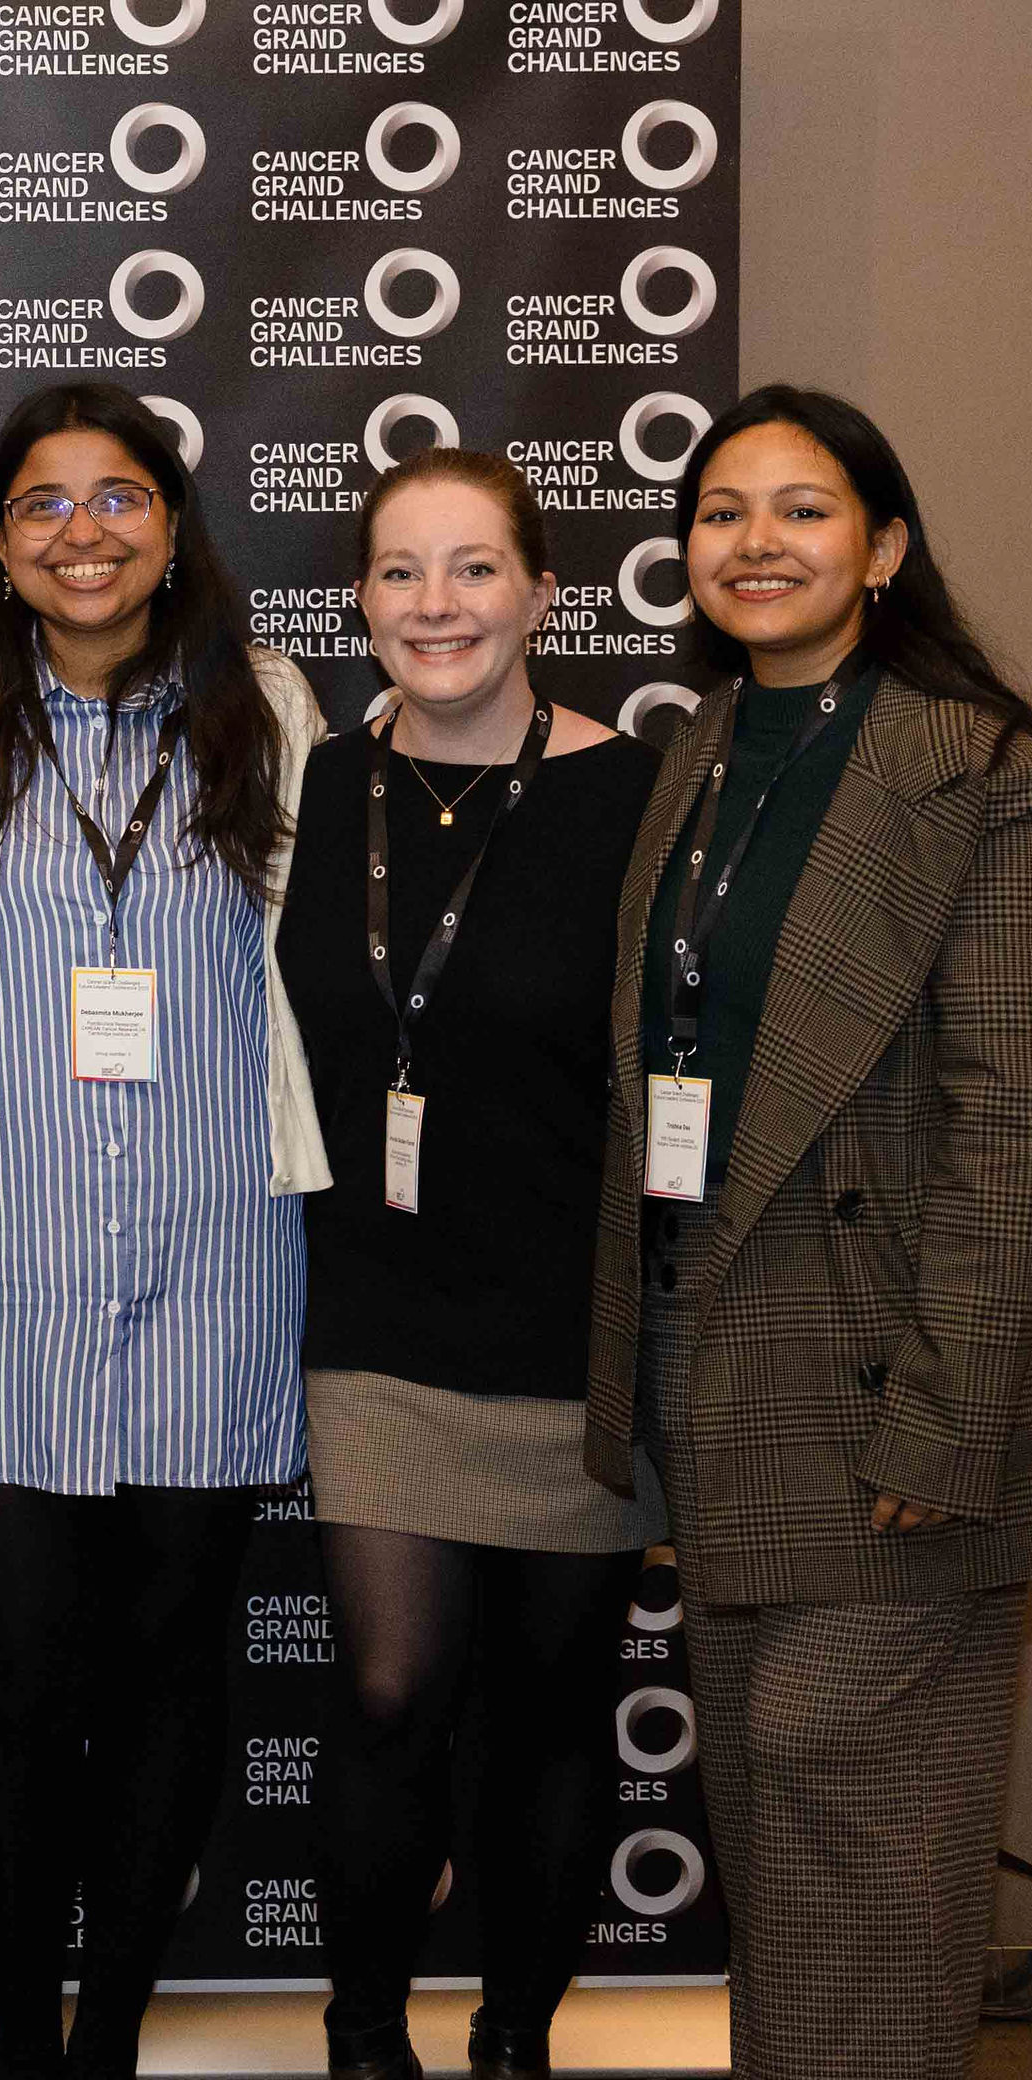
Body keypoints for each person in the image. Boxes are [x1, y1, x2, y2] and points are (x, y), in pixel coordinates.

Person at [0, 381, 327, 2080]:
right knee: (11, 1685)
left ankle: (114, 2029)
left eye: (118, 496)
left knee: (165, 1682)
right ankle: (19, 2037)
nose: (83, 531)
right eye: (43, 504)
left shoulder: (263, 707)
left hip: (210, 1265)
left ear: (171, 525)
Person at [584, 385, 1032, 2080]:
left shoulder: (976, 768)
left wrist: (951, 1405)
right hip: (716, 1358)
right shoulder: (695, 755)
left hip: (887, 1383)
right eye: (718, 513)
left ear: (885, 547)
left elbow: (1011, 1123)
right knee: (783, 1847)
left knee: (854, 1834)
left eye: (800, 511)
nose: (752, 543)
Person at [276, 449, 661, 2080]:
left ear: (541, 596)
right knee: (386, 1690)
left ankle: (515, 2036)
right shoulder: (304, 788)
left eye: (473, 569)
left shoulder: (640, 799)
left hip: (575, 1322)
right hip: (369, 1311)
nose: (435, 605)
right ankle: (363, 2039)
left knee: (553, 1710)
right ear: (359, 603)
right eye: (399, 572)